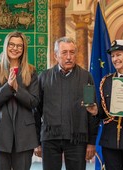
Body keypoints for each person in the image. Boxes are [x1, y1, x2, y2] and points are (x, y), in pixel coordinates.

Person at [35, 36, 99, 170]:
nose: (69, 57)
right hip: (50, 138)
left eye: (72, 52)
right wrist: (37, 142)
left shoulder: (86, 77)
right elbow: (36, 111)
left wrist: (91, 143)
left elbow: (91, 112)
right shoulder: (44, 77)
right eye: (64, 53)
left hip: (77, 139)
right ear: (56, 55)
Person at [0, 31, 39, 170]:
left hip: (24, 134)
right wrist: (8, 86)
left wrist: (17, 89)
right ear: (6, 46)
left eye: (19, 46)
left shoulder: (31, 71)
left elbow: (34, 102)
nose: (15, 48)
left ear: (23, 49)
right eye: (12, 44)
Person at [91, 39, 123, 170]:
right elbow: (104, 113)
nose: (115, 59)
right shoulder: (106, 81)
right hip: (110, 142)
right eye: (113, 56)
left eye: (118, 54)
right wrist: (96, 111)